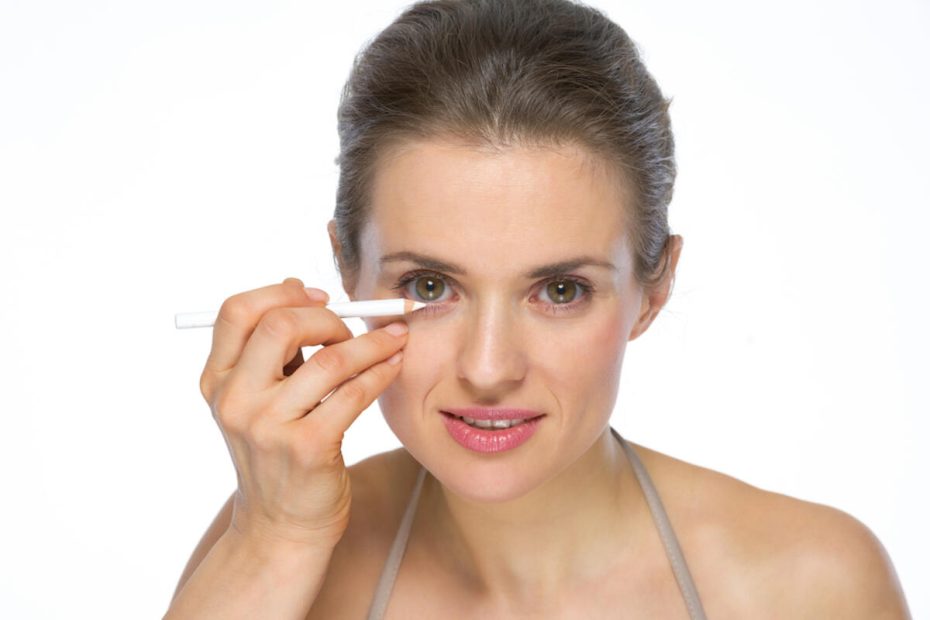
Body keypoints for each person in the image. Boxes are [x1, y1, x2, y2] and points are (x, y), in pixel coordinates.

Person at [164, 0, 910, 617]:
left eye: (560, 291)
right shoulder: (275, 550)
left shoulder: (809, 585)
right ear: (347, 272)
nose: (489, 369)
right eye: (430, 286)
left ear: (652, 292)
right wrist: (275, 539)